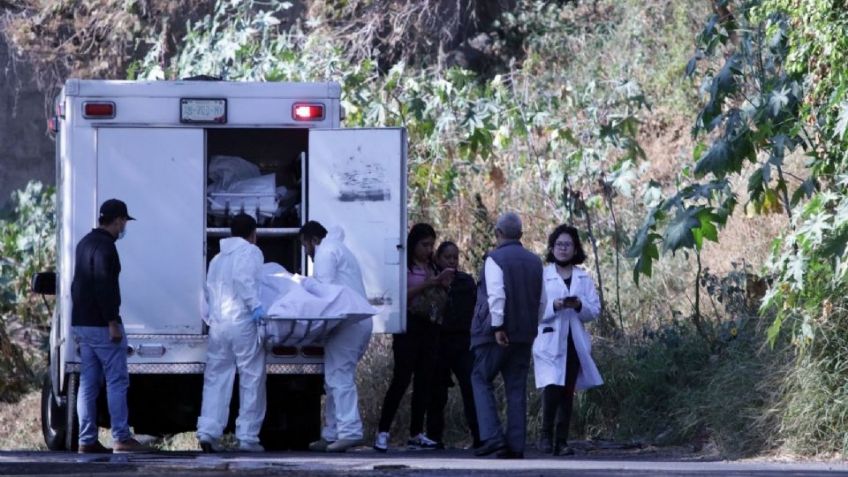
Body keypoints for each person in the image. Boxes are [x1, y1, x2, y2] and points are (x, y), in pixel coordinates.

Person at [71, 198, 152, 454]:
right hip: (102, 325)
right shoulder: (107, 247)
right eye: (124, 221)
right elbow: (104, 286)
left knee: (88, 383)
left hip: (82, 323)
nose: (124, 226)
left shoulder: (84, 243)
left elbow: (78, 285)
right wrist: (112, 322)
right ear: (117, 220)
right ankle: (121, 437)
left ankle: (86, 439)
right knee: (117, 381)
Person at [470, 212, 545, 459]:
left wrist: (498, 327)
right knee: (516, 387)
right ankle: (516, 444)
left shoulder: (495, 259)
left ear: (498, 233)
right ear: (521, 235)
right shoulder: (535, 261)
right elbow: (542, 300)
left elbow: (496, 294)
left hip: (495, 334)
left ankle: (493, 438)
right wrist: (533, 325)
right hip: (525, 333)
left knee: (480, 378)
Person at [374, 223, 453, 452]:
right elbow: (398, 296)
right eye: (424, 245)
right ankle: (383, 431)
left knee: (424, 381)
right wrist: (427, 284)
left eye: (431, 245)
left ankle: (416, 432)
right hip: (408, 326)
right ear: (413, 244)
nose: (428, 250)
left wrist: (441, 283)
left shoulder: (433, 267)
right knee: (401, 379)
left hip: (431, 327)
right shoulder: (404, 267)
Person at [299, 221, 373, 453]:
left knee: (339, 377)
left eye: (305, 246)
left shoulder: (325, 252)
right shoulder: (339, 249)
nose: (306, 252)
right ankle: (332, 433)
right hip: (355, 320)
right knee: (334, 377)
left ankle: (349, 432)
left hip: (348, 323)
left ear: (312, 240)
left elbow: (326, 292)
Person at [197, 213, 266, 453]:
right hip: (242, 322)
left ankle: (208, 431)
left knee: (217, 377)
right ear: (252, 233)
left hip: (219, 325)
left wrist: (210, 317)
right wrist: (256, 306)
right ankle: (247, 436)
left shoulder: (217, 258)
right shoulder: (250, 252)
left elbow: (207, 290)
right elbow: (244, 280)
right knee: (251, 377)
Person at [533, 224, 603, 456]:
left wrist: (578, 305)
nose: (563, 249)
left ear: (575, 249)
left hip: (574, 341)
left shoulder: (583, 278)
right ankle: (545, 437)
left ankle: (561, 441)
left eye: (568, 245)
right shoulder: (543, 276)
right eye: (559, 244)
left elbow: (594, 310)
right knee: (551, 387)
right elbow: (533, 310)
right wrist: (555, 305)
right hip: (549, 339)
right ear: (552, 248)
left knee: (567, 391)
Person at [425, 241, 481, 449]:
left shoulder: (465, 282)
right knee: (437, 392)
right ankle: (434, 437)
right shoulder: (431, 280)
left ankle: (479, 436)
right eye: (447, 257)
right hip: (438, 342)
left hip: (462, 341)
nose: (452, 261)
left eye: (455, 257)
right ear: (438, 258)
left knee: (471, 388)